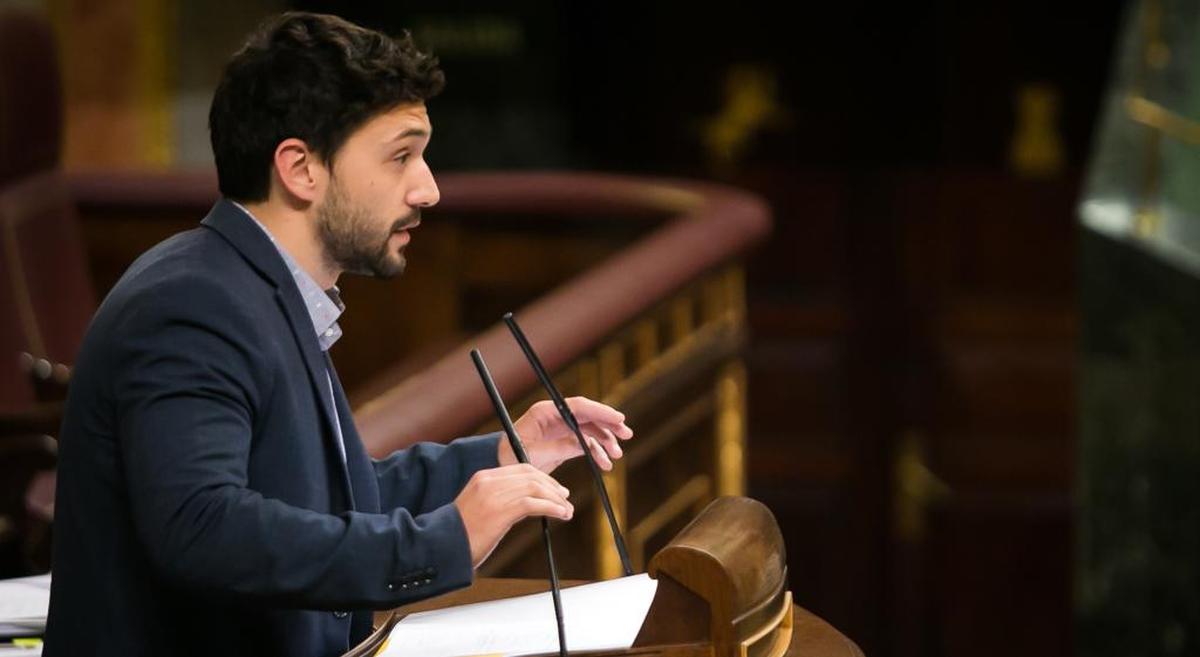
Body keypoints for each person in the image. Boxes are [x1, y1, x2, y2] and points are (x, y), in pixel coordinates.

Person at [43, 12, 633, 657]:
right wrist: (445, 541)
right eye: (400, 156)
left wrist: (498, 457)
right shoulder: (190, 305)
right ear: (300, 169)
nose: (428, 188)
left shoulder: (254, 287)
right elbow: (201, 527)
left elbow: (325, 495)